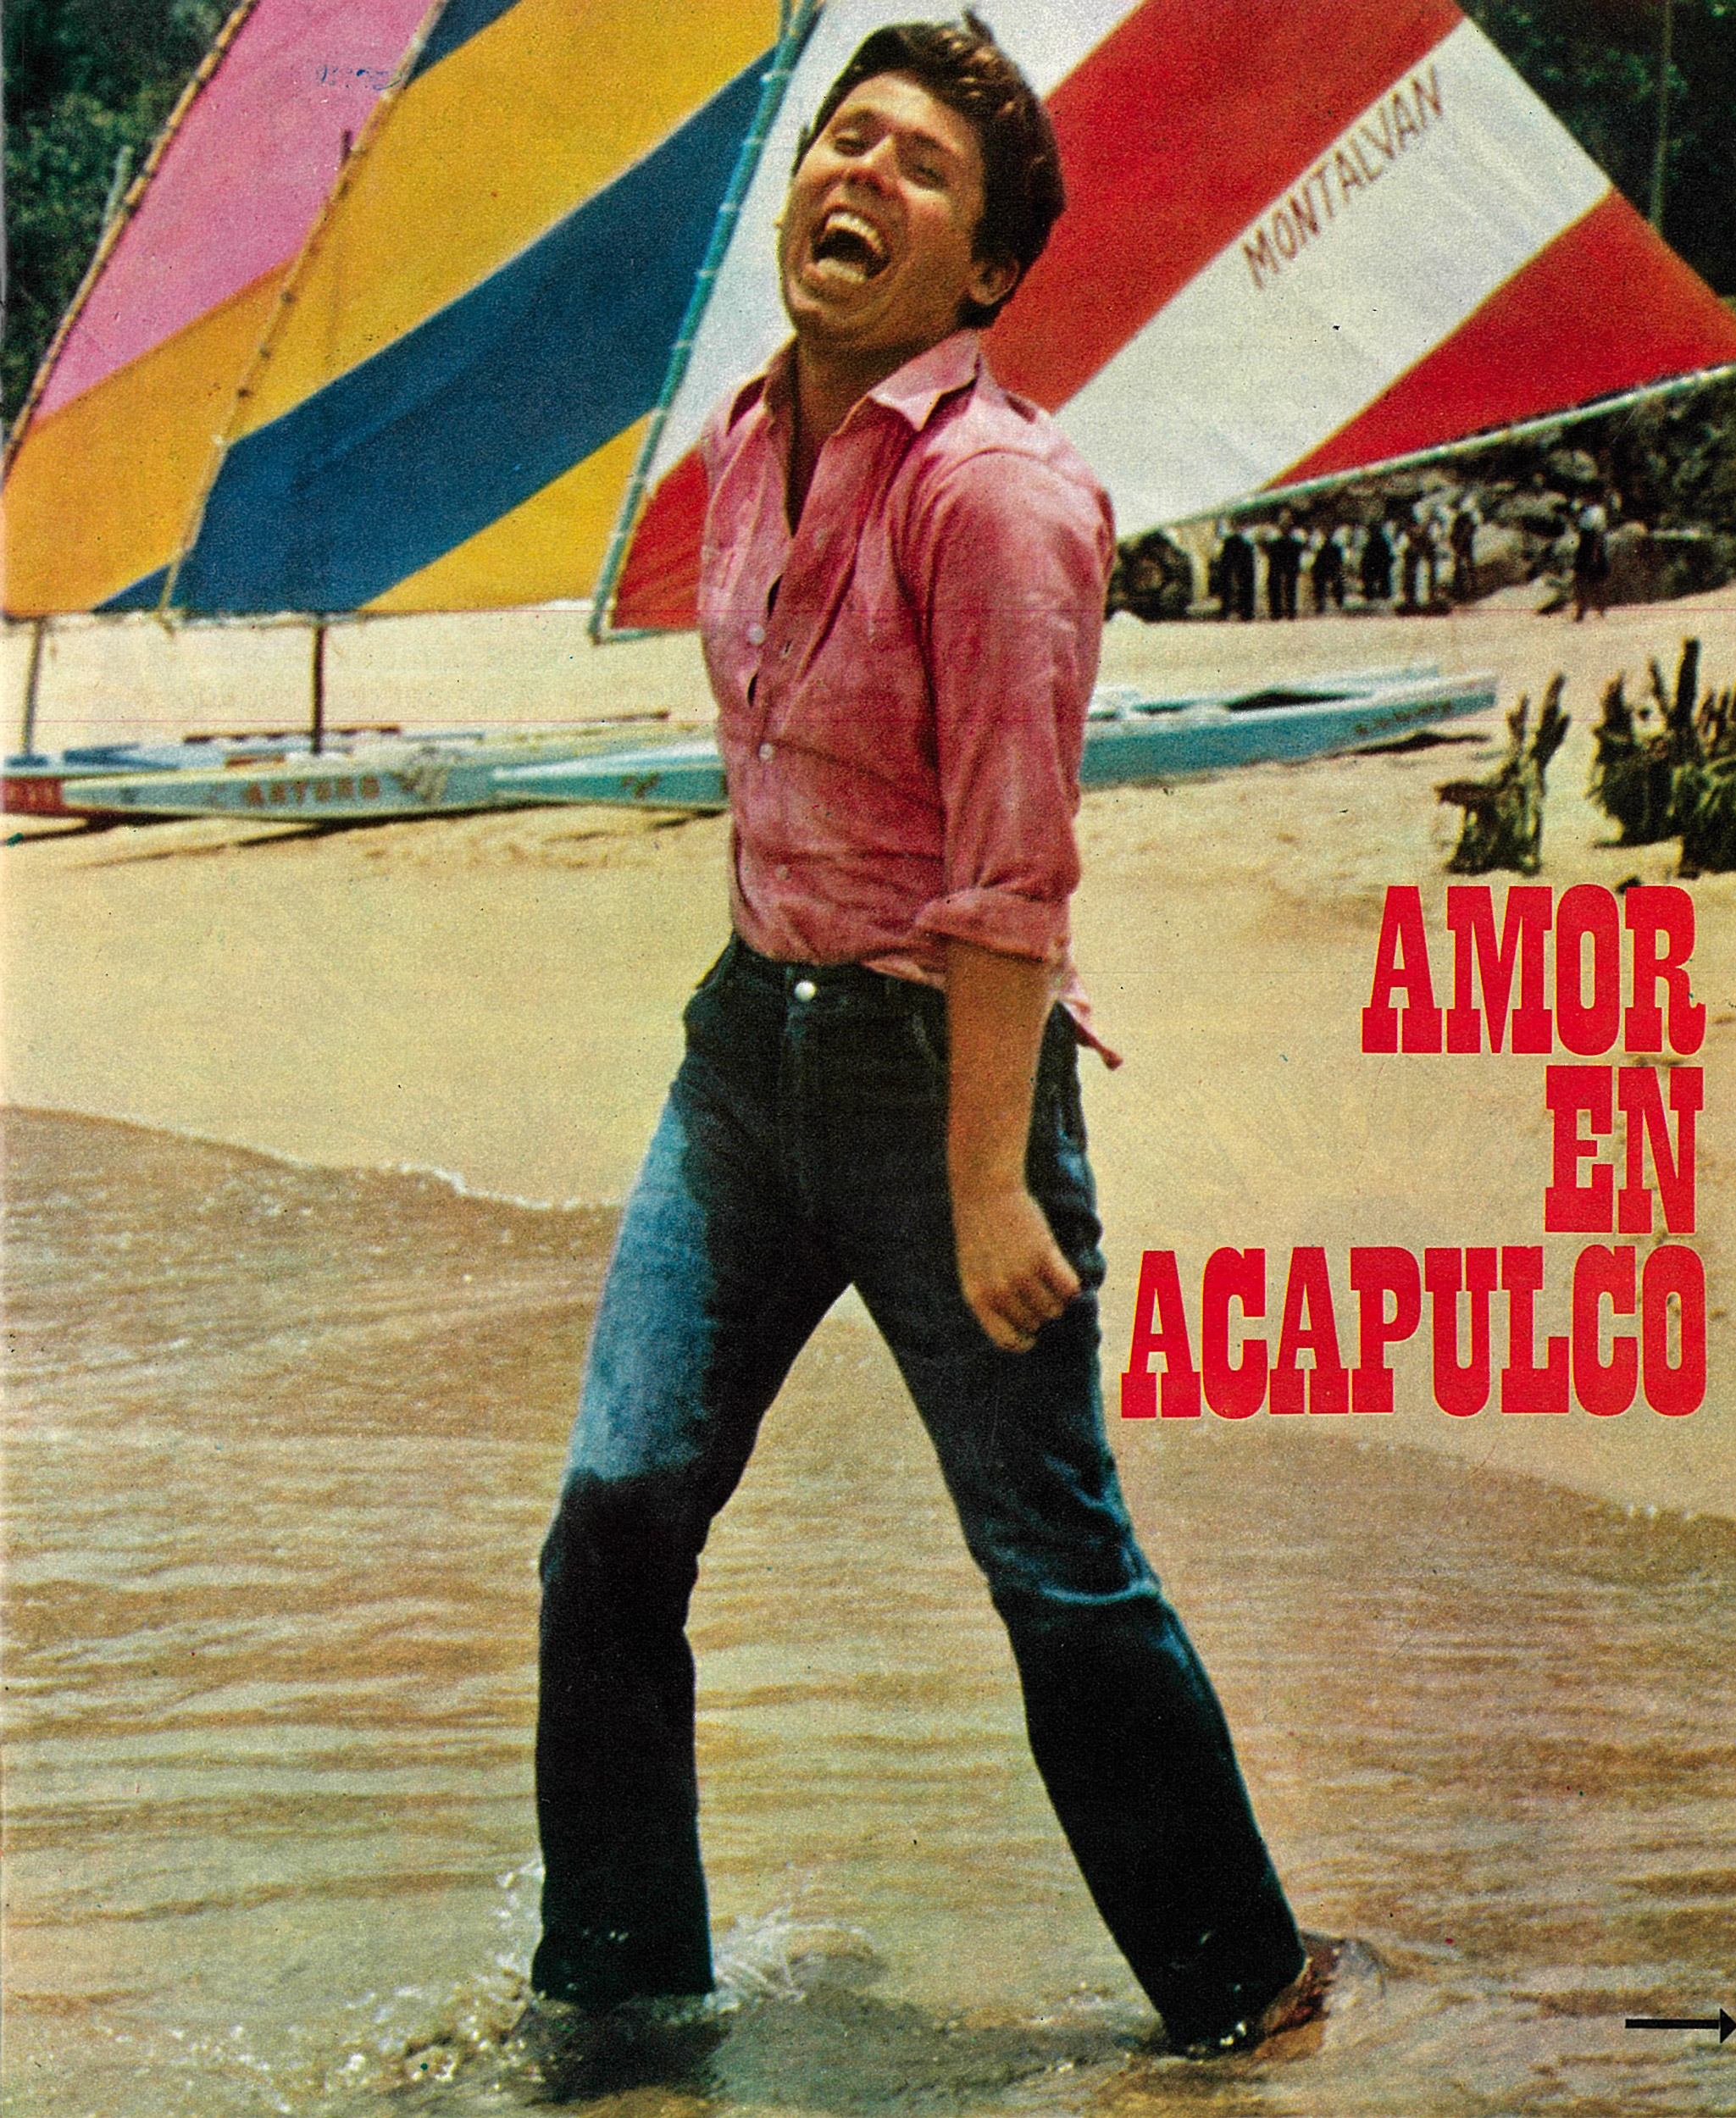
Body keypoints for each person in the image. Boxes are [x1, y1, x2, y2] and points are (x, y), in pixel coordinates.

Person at [524, 15, 1326, 2085]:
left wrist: (982, 1178)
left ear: (979, 273)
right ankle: (617, 2012)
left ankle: (1247, 2000)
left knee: (1050, 1562)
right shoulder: (745, 438)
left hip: (939, 1074)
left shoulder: (1000, 500)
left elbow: (1009, 877)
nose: (857, 177)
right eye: (842, 139)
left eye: (919, 168)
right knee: (613, 1519)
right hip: (745, 1052)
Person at [1573, 498, 1611, 619]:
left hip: (1592, 545)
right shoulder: (1584, 510)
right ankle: (1583, 610)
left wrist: (1595, 552)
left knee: (1593, 580)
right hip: (1585, 544)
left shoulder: (1596, 511)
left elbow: (1597, 533)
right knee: (1582, 579)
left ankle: (1598, 609)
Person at [1264, 511, 1304, 619]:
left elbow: (1300, 547)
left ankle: (1290, 611)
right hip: (1276, 560)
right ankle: (1275, 612)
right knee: (1274, 584)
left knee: (1291, 585)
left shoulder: (1297, 533)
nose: (1285, 522)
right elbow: (1266, 547)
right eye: (1283, 519)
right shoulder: (1273, 533)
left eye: (1288, 519)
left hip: (1290, 561)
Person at [1215, 517, 1256, 620]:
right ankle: (1225, 610)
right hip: (1228, 539)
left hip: (1246, 538)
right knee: (1225, 577)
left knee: (1246, 577)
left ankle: (1246, 611)